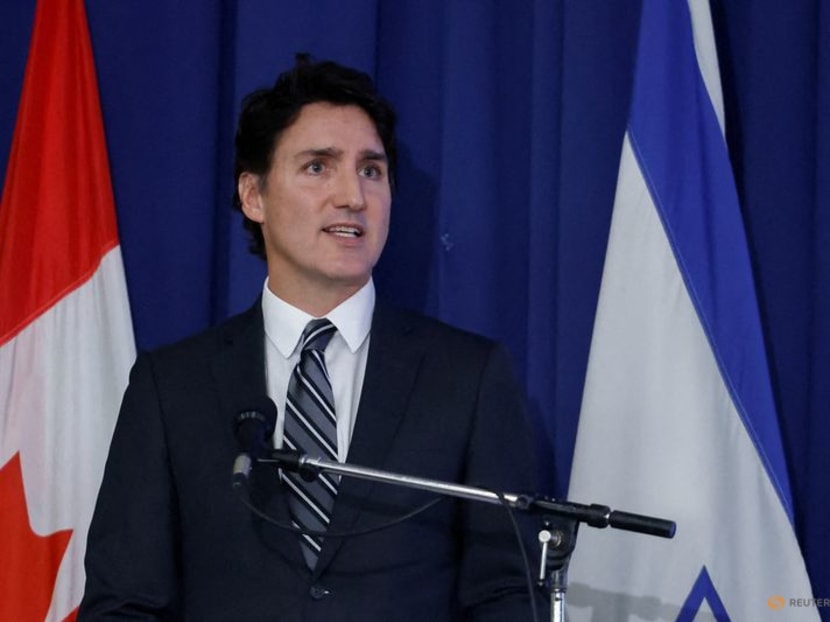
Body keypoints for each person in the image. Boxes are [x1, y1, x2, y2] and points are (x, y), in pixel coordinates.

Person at [79, 54, 546, 622]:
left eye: (371, 170)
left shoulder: (468, 377)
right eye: (319, 167)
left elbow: (508, 596)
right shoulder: (171, 386)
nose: (352, 195)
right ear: (254, 196)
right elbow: (125, 603)